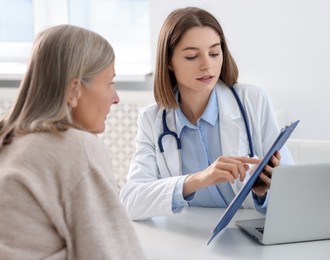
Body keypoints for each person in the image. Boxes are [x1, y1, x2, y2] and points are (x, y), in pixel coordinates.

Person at [119, 7, 294, 220]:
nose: (207, 65)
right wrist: (198, 180)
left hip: (244, 235)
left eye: (214, 53)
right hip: (187, 237)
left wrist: (262, 191)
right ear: (168, 62)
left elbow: (290, 193)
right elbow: (130, 201)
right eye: (192, 56)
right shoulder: (152, 120)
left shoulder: (253, 101)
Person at [0, 25, 145, 259]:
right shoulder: (74, 146)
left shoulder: (8, 135)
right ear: (75, 89)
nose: (116, 98)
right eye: (110, 83)